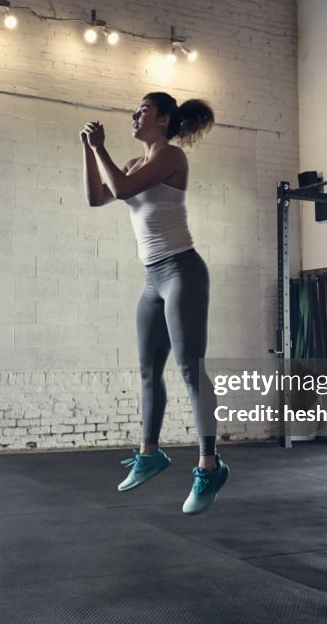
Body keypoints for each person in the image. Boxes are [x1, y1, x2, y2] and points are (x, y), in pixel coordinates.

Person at [81, 92, 228, 515]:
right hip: (153, 278)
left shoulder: (172, 157)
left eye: (142, 110)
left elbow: (123, 189)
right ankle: (150, 454)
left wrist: (100, 148)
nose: (134, 114)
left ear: (163, 120)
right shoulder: (133, 163)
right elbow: (97, 196)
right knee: (148, 370)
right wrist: (88, 153)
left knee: (189, 369)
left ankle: (209, 463)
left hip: (183, 271)